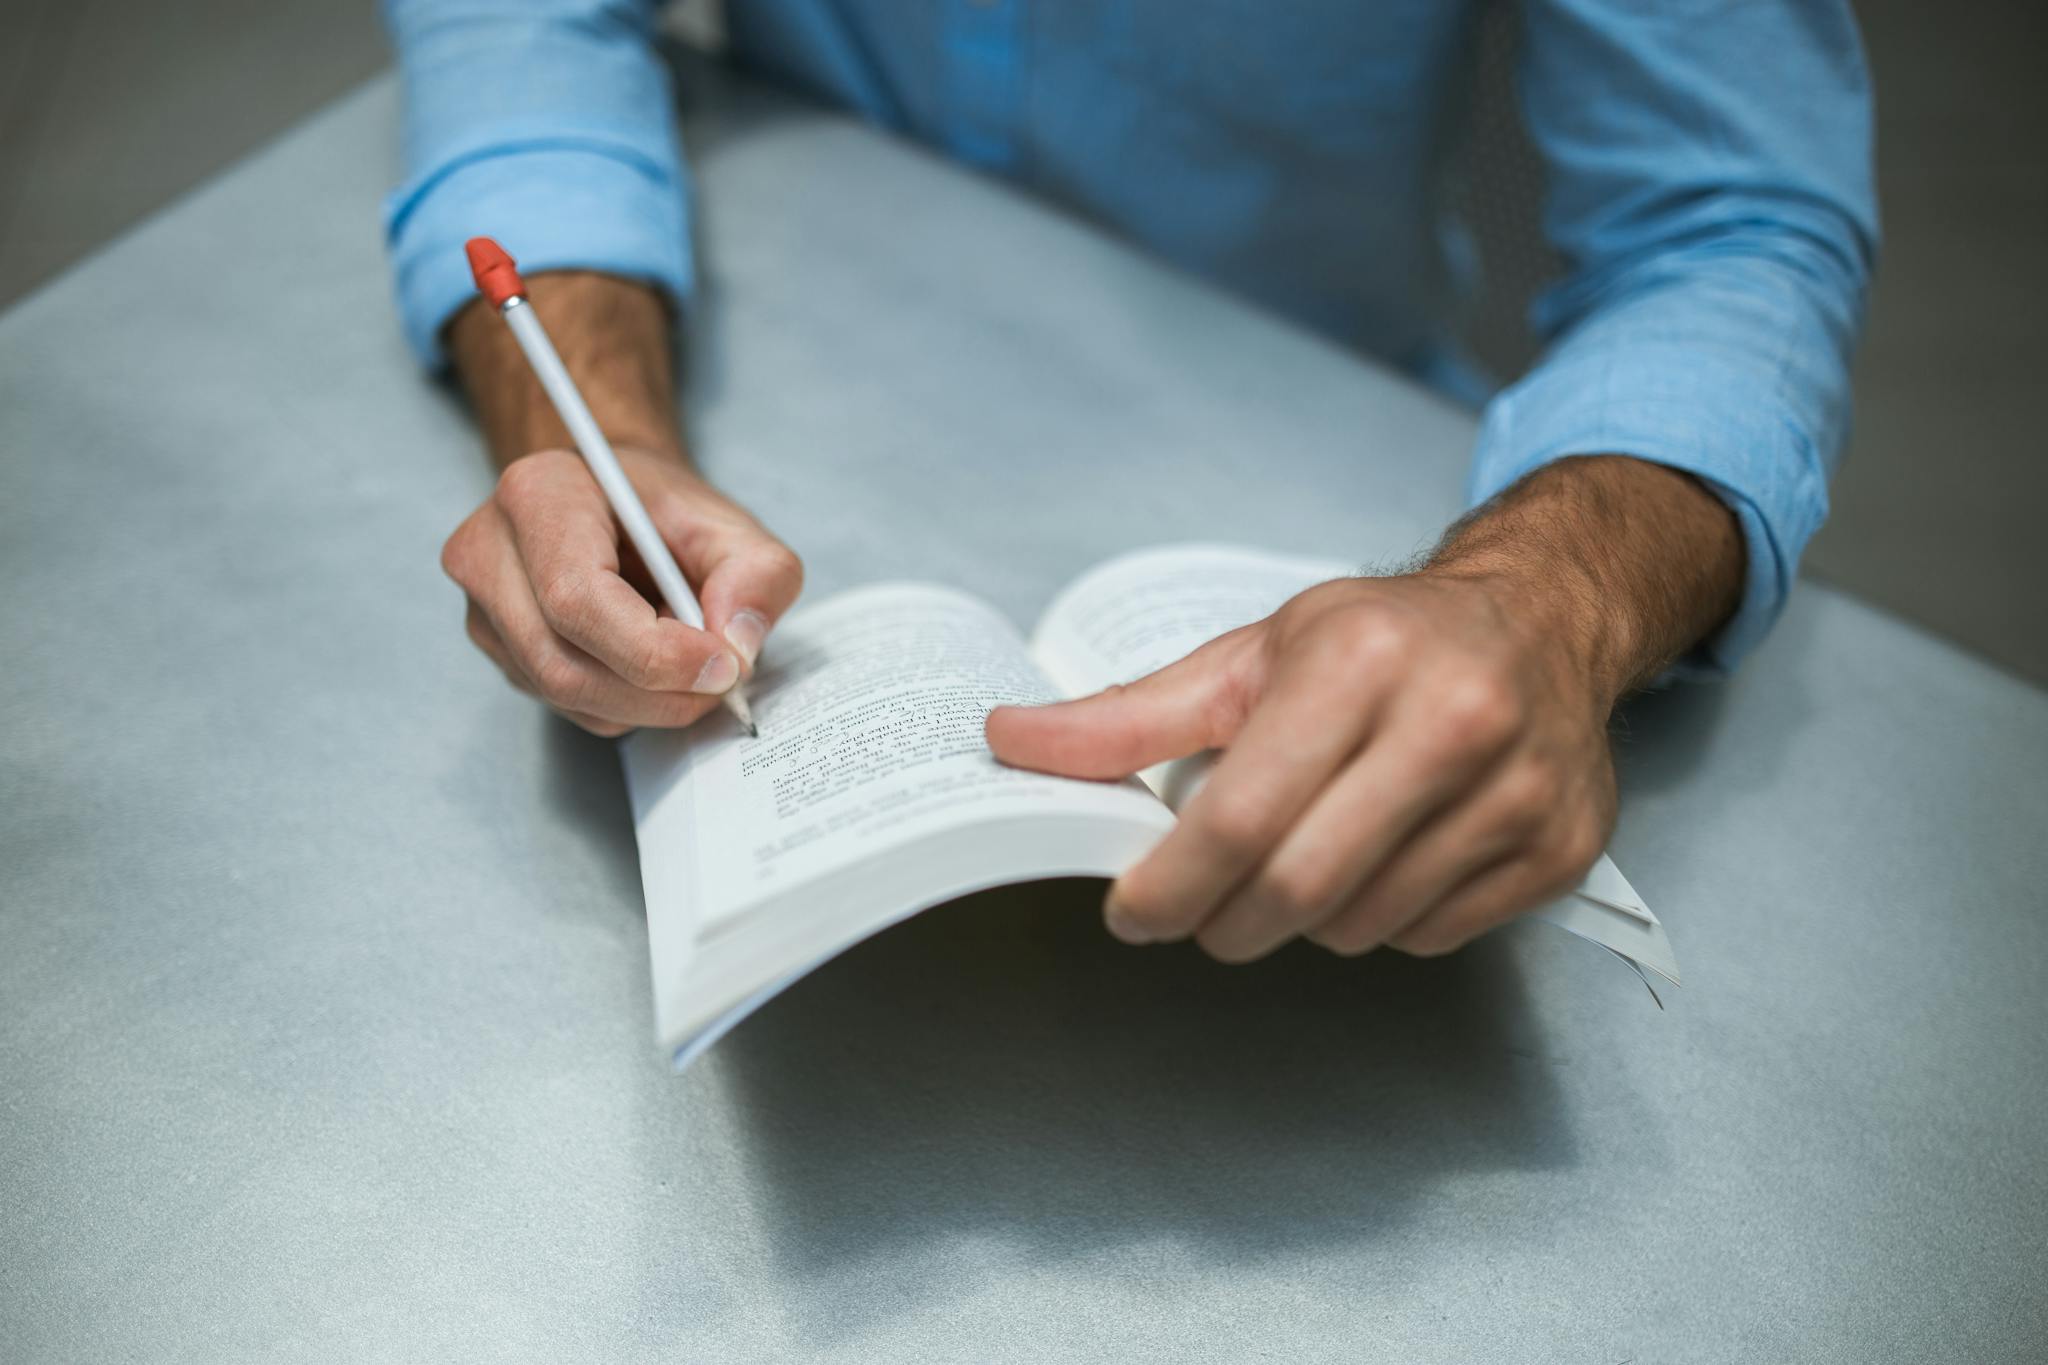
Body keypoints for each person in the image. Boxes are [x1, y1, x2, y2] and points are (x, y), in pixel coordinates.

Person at [385, 1, 1874, 964]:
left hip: (1334, 446)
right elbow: (521, 28)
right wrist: (597, 428)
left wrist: (1548, 602)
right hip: (770, 354)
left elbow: (1735, 222)